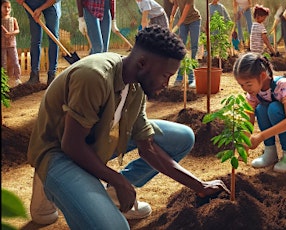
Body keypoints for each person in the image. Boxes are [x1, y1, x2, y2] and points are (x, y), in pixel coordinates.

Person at [27, 25, 229, 228]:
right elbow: (71, 145)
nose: (167, 84)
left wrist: (200, 186)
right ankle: (51, 183)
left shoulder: (135, 86)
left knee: (182, 137)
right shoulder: (94, 76)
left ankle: (110, 197)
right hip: (59, 151)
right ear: (142, 63)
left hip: (96, 140)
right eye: (166, 75)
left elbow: (147, 147)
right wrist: (119, 181)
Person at [233, 52, 286, 173]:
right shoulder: (254, 92)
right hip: (280, 122)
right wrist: (244, 144)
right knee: (260, 109)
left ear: (262, 75)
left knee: (274, 108)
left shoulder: (283, 86)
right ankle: (270, 152)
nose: (245, 89)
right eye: (241, 85)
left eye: (248, 84)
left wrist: (260, 137)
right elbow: (249, 118)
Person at [16, 0, 60, 85]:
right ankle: (34, 75)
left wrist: (40, 9)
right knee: (35, 39)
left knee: (53, 38)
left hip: (50, 4)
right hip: (31, 4)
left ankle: (52, 75)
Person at [170, 0, 201, 88]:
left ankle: (192, 78)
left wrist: (175, 27)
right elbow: (176, 4)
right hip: (183, 22)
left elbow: (184, 15)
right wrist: (172, 15)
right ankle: (180, 77)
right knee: (181, 48)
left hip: (194, 20)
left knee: (194, 47)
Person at [1, 0, 21, 86]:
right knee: (3, 63)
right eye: (5, 7)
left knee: (15, 61)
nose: (7, 9)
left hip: (12, 44)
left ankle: (18, 78)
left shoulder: (13, 19)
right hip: (2, 45)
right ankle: (4, 80)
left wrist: (10, 33)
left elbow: (17, 30)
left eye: (9, 7)